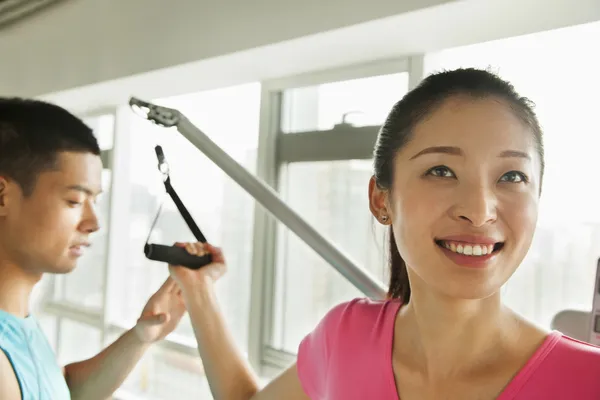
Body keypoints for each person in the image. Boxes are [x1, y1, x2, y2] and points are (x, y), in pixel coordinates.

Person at [168, 68, 600, 399]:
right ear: (381, 199)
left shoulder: (589, 382)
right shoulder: (345, 336)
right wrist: (198, 290)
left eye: (511, 176)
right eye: (441, 170)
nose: (479, 210)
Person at [0, 98, 187, 400]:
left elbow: (61, 389)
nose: (93, 222)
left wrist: (141, 336)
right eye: (74, 201)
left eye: (94, 201)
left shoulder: (17, 323)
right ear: (2, 197)